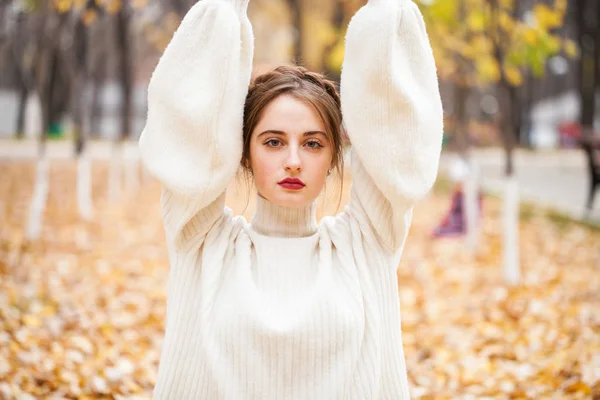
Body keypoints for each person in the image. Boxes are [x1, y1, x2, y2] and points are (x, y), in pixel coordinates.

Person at [138, 0, 443, 398]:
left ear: (335, 157)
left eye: (313, 144)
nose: (294, 161)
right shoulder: (202, 242)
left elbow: (392, 105)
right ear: (243, 151)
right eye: (274, 142)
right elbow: (194, 105)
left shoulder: (366, 244)